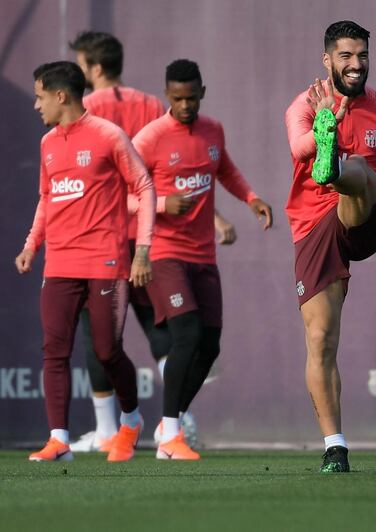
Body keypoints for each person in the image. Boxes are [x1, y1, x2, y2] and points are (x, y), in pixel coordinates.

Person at [68, 31, 236, 452]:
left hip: (106, 237)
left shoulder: (84, 110)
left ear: (95, 67)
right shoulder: (150, 107)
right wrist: (209, 212)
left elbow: (83, 181)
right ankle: (179, 418)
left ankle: (111, 428)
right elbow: (175, 170)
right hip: (151, 235)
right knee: (163, 328)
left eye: (82, 66)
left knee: (99, 333)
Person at [285, 20, 376, 472]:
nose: (355, 64)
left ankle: (339, 168)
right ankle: (335, 448)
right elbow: (299, 146)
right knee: (320, 338)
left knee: (359, 168)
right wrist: (329, 121)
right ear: (327, 59)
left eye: (361, 55)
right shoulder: (302, 106)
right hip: (316, 226)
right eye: (345, 56)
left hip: (368, 211)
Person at [16, 61, 156, 462]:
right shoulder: (47, 144)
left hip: (105, 262)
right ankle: (59, 439)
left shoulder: (109, 136)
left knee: (107, 351)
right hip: (59, 263)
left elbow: (144, 186)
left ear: (61, 96)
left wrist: (142, 248)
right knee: (54, 352)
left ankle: (131, 420)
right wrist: (32, 245)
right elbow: (47, 198)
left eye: (40, 96)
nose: (36, 105)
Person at [132, 59, 272, 460]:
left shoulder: (213, 129)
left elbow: (223, 168)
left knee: (209, 346)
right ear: (166, 96)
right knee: (187, 334)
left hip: (203, 253)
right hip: (164, 252)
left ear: (202, 93)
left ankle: (168, 422)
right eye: (177, 99)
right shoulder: (149, 138)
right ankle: (171, 436)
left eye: (191, 98)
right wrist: (161, 203)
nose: (185, 106)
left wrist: (251, 198)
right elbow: (118, 197)